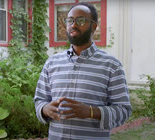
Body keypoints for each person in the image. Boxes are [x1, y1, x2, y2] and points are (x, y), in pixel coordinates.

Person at [34, 2, 132, 140]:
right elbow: (39, 100)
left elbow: (123, 110)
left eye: (81, 21)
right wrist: (45, 109)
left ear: (94, 26)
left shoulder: (111, 65)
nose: (73, 25)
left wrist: (91, 112)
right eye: (70, 20)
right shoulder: (52, 63)